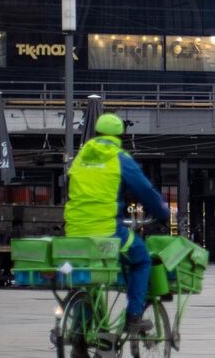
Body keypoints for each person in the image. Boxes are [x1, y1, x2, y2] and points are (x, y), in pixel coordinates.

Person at [65, 113, 171, 335]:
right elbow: (145, 190)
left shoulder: (80, 158)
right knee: (141, 259)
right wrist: (162, 212)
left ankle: (79, 334)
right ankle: (133, 317)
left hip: (74, 231)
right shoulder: (119, 158)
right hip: (107, 230)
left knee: (90, 276)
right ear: (119, 136)